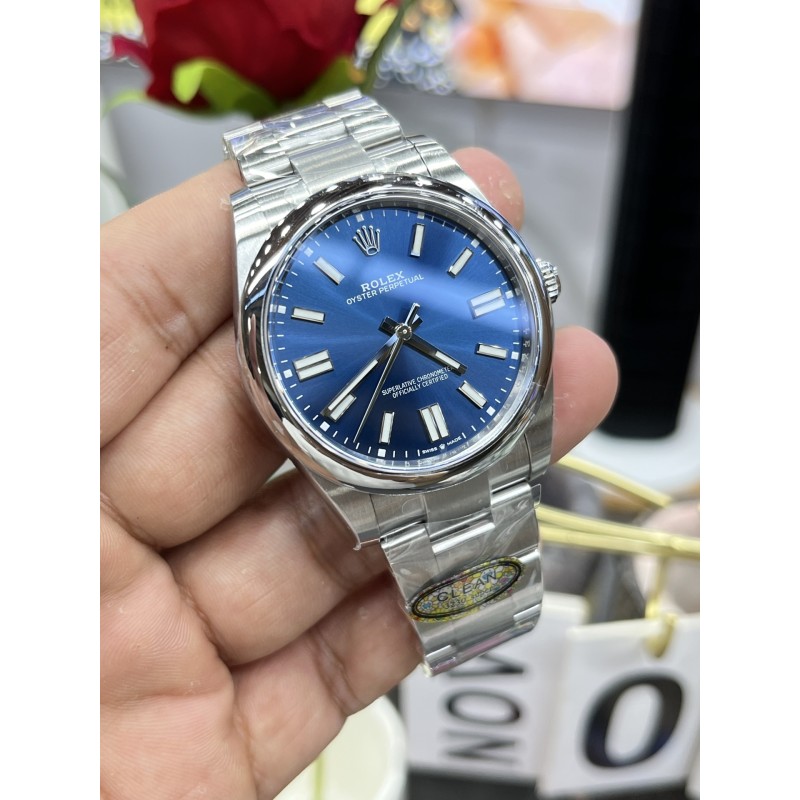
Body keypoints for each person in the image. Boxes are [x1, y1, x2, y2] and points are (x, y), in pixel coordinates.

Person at [100, 148, 619, 799]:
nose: (398, 333)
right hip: (383, 457)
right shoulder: (284, 334)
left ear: (534, 283)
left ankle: (487, 623)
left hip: (488, 427)